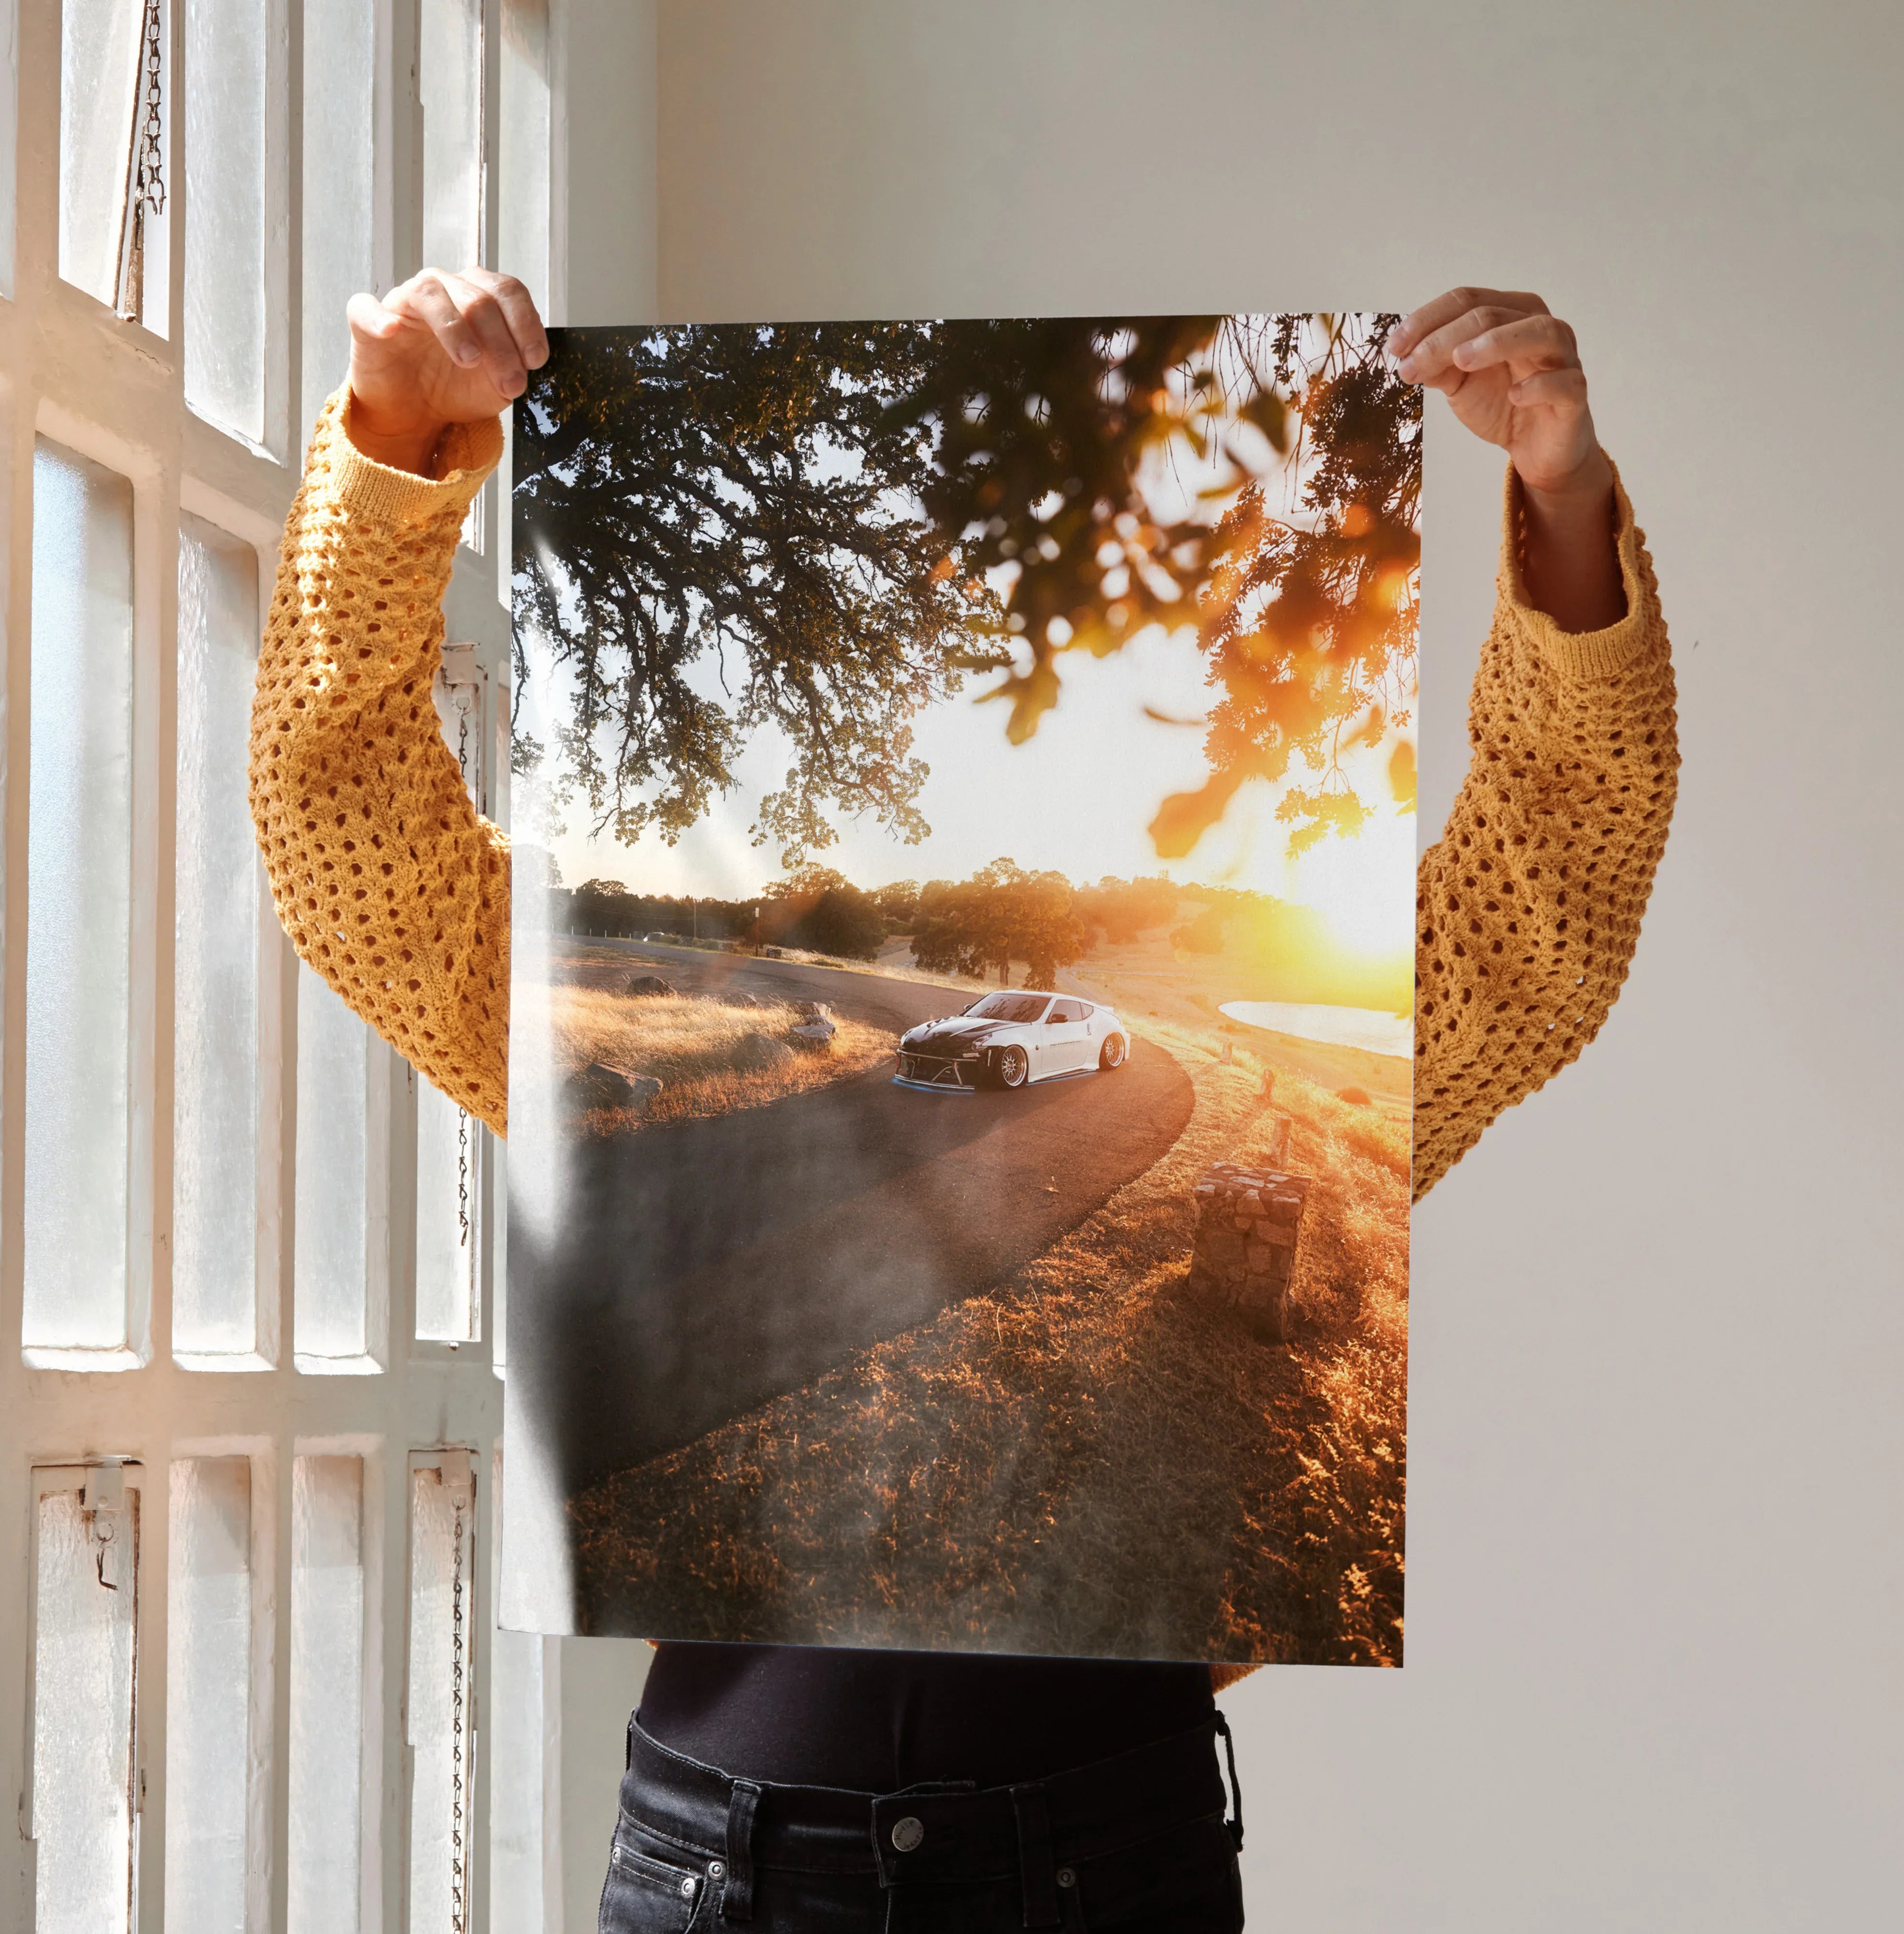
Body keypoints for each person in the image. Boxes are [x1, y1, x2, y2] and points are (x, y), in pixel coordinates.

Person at [251, 269, 1677, 1932]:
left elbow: (1547, 905)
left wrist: (1562, 499)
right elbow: (345, 838)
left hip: (1107, 1860)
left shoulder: (1226, 1061)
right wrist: (393, 446)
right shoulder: (569, 1038)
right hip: (724, 1872)